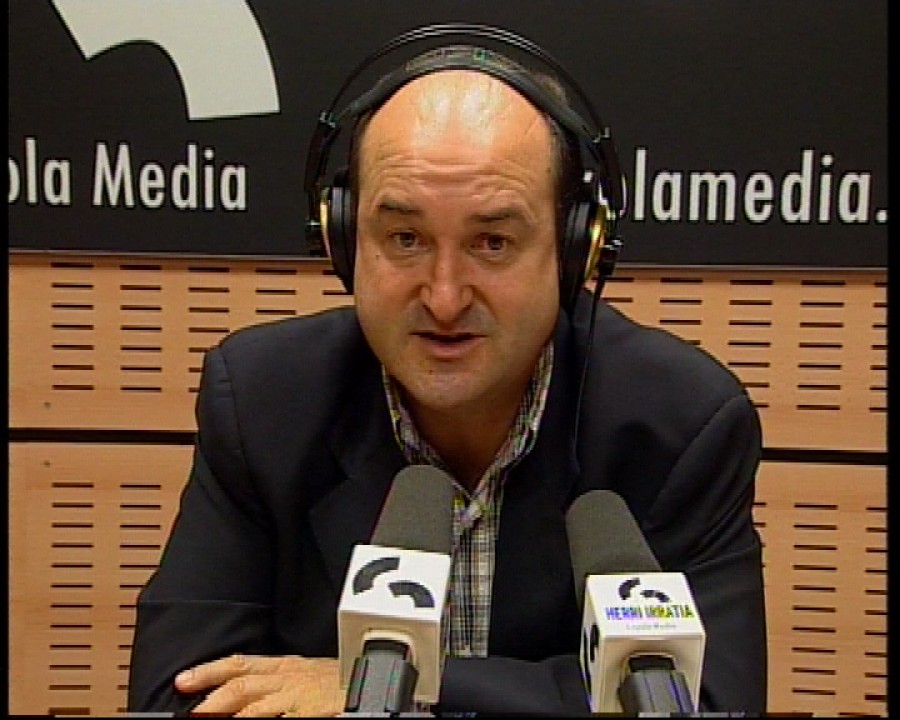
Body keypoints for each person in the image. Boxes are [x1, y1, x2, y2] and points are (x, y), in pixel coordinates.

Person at [127, 26, 767, 717]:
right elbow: (178, 694)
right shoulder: (263, 402)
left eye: (493, 242)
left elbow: (709, 703)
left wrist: (370, 688)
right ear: (343, 239)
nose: (444, 297)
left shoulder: (682, 426)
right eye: (404, 238)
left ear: (572, 253)